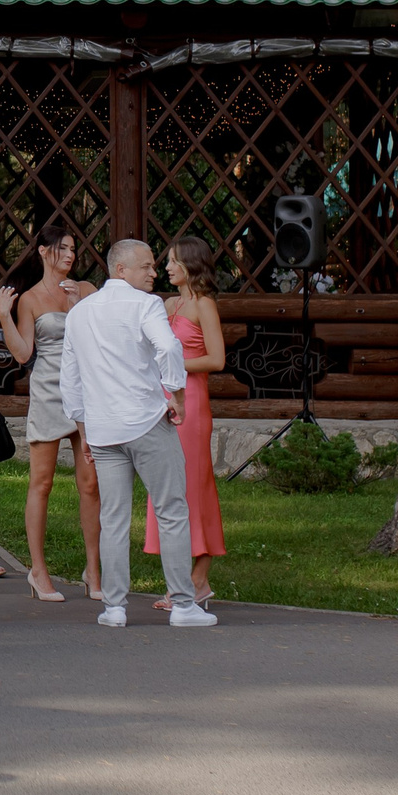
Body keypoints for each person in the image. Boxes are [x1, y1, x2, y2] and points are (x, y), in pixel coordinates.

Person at [60, 239, 218, 629]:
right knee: (172, 510)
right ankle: (183, 604)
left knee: (113, 517)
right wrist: (177, 395)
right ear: (120, 270)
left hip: (102, 430)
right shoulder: (146, 305)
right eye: (146, 266)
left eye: (153, 266)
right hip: (147, 422)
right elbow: (167, 347)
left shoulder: (80, 313)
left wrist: (82, 429)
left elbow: (70, 378)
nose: (153, 272)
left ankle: (114, 607)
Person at [0, 223, 101, 602]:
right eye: (63, 249)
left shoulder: (86, 290)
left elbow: (104, 338)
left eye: (74, 249)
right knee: (42, 483)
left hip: (86, 393)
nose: (71, 255)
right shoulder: (31, 299)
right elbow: (23, 355)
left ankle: (94, 571)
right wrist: (5, 316)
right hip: (49, 390)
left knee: (91, 484)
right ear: (43, 251)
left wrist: (79, 306)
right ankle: (38, 572)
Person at [147, 236, 228, 608]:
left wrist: (172, 368)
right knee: (165, 486)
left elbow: (216, 359)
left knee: (193, 487)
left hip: (192, 404)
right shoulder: (166, 303)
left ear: (192, 265)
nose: (166, 268)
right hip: (163, 401)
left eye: (174, 261)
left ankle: (199, 578)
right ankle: (181, 580)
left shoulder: (204, 305)